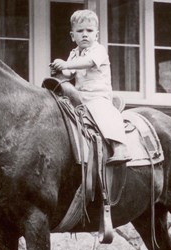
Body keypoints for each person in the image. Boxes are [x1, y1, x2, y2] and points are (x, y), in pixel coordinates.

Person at [50, 9, 131, 165]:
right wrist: (59, 71)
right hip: (79, 97)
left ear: (96, 35)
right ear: (73, 36)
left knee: (103, 112)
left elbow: (88, 62)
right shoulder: (74, 53)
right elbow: (69, 74)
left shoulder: (98, 50)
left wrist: (66, 64)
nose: (85, 34)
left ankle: (120, 146)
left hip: (97, 96)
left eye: (89, 30)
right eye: (80, 31)